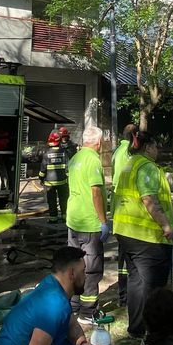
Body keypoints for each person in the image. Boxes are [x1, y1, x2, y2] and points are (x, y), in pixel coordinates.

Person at [113, 133, 173, 339]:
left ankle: (137, 328)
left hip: (126, 233)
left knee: (136, 281)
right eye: (156, 145)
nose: (158, 150)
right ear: (147, 147)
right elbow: (148, 199)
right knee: (153, 285)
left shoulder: (130, 164)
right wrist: (165, 224)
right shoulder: (146, 167)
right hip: (146, 236)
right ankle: (154, 330)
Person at [65, 125, 109, 319]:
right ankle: (88, 312)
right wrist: (103, 221)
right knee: (91, 268)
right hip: (89, 223)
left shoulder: (75, 158)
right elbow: (96, 192)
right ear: (98, 143)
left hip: (73, 219)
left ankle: (73, 305)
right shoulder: (93, 161)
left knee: (75, 265)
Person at [111, 124, 135, 304]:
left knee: (122, 256)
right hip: (128, 210)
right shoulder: (128, 153)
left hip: (119, 210)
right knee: (129, 257)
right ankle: (126, 295)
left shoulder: (117, 151)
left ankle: (123, 295)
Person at [41, 127, 73, 219]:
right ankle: (64, 216)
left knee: (52, 201)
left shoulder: (46, 154)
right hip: (62, 182)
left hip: (49, 183)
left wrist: (41, 178)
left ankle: (53, 218)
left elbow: (43, 170)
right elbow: (67, 166)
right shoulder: (64, 152)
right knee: (63, 199)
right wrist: (67, 177)